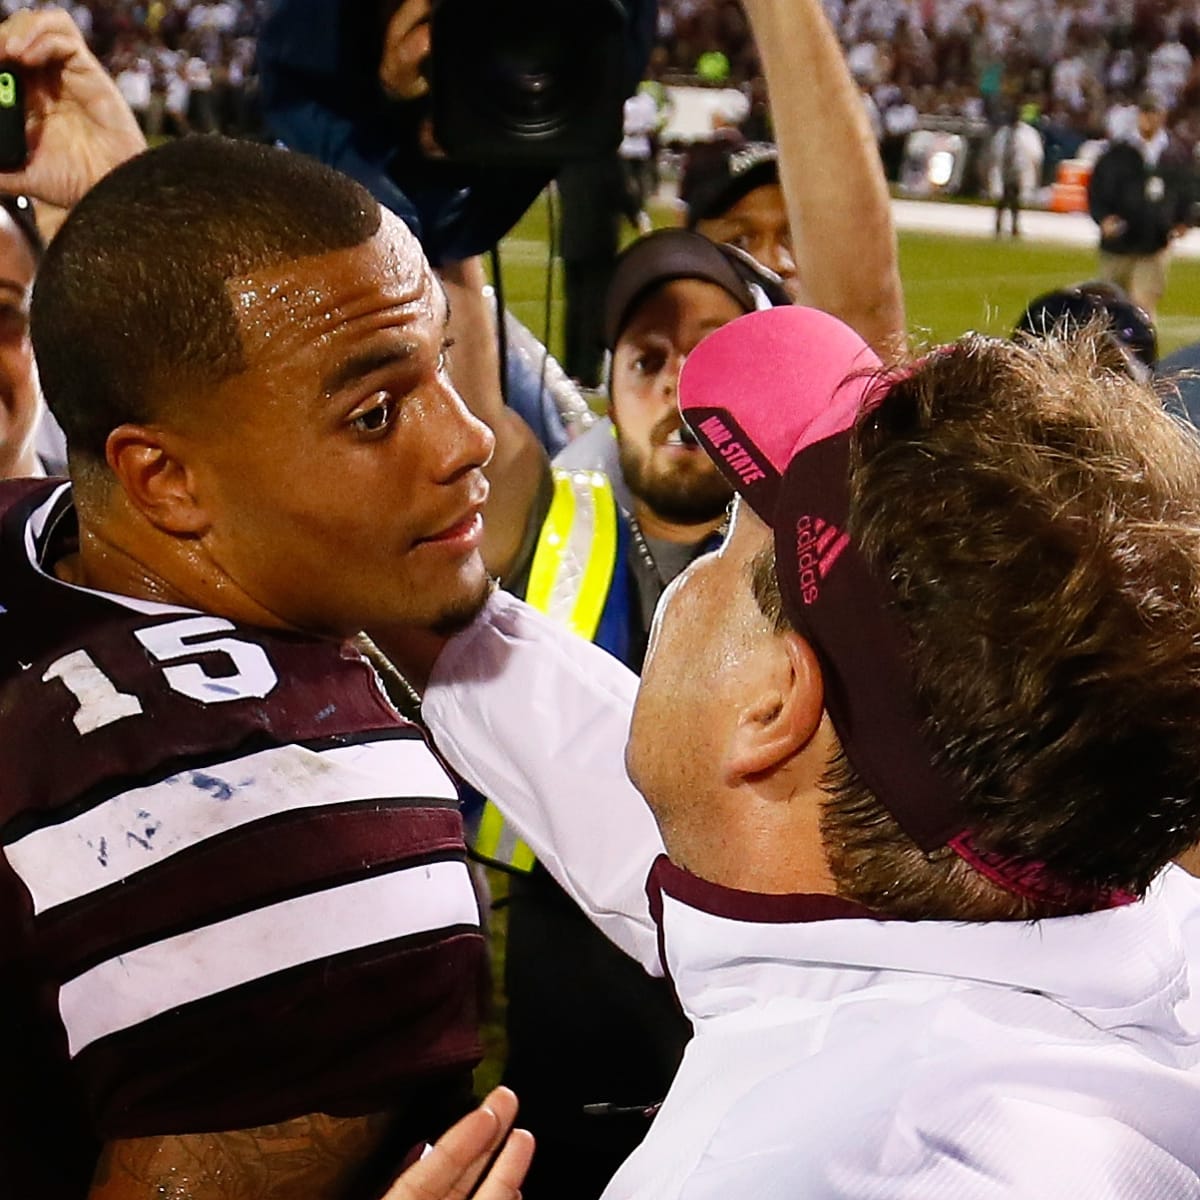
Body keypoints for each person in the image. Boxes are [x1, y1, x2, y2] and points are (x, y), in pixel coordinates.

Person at [422, 302, 1200, 1199]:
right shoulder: (1059, 902)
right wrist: (433, 610)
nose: (700, 576)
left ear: (776, 704)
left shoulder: (835, 1169)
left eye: (726, 543)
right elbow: (701, 847)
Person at [0, 12, 538, 1198]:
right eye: (374, 413)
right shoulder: (309, 838)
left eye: (439, 366)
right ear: (165, 481)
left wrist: (126, 207)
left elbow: (192, 363)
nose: (467, 440)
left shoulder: (39, 532)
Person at [472, 0, 905, 1191]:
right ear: (599, 386)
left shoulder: (813, 540)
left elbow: (865, 329)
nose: (673, 385)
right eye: (644, 357)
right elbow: (456, 363)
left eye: (708, 349)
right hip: (562, 973)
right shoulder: (547, 500)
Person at [1086, 91, 1193, 320]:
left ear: (1163, 115)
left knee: (1143, 308)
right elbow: (1098, 187)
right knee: (1110, 308)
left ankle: (1143, 355)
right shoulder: (1118, 151)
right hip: (1118, 242)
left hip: (1154, 242)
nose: (1149, 118)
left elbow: (1187, 188)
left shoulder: (1175, 153)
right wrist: (1102, 217)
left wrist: (1184, 220)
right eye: (1145, 113)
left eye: (1154, 113)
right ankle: (1110, 354)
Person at [987, 103, 1044, 238]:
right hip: (1004, 170)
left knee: (1014, 200)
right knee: (1002, 199)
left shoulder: (1027, 133)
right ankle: (999, 226)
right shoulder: (1003, 133)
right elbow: (995, 152)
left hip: (1018, 171)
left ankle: (1014, 226)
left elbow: (1036, 154)